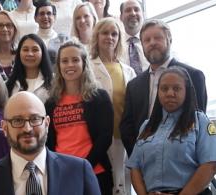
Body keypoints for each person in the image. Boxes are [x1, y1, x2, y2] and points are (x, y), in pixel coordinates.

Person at [0, 91, 101, 195]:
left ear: (47, 124)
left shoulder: (79, 170)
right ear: (5, 128)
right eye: (17, 121)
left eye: (35, 119)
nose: (27, 128)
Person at [126, 67, 216, 194]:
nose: (170, 93)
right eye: (164, 89)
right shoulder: (147, 127)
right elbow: (135, 168)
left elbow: (210, 165)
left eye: (176, 88)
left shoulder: (200, 122)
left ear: (186, 91)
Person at [120, 19, 208, 157]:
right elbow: (126, 126)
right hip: (145, 162)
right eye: (147, 40)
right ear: (142, 46)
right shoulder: (133, 85)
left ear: (169, 40)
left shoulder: (194, 76)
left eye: (158, 38)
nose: (152, 43)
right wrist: (138, 157)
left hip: (183, 159)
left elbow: (198, 122)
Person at [45, 40, 113, 195]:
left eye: (75, 60)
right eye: (64, 61)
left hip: (94, 171)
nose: (70, 65)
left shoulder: (99, 97)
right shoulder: (51, 103)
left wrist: (84, 167)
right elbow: (49, 141)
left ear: (84, 64)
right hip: (61, 173)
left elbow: (105, 137)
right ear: (59, 66)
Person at [90, 17, 136, 195]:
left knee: (124, 182)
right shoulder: (89, 67)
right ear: (97, 36)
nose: (109, 37)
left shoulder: (128, 70)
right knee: (106, 183)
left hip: (123, 135)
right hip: (100, 136)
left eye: (114, 34)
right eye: (105, 33)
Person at [6, 34, 53, 103]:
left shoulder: (54, 82)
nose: (30, 54)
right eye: (25, 50)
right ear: (19, 53)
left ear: (43, 53)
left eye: (35, 50)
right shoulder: (10, 84)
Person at [119, 0, 149, 75]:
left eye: (136, 9)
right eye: (128, 10)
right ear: (121, 17)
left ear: (143, 15)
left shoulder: (153, 41)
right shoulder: (115, 44)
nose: (133, 13)